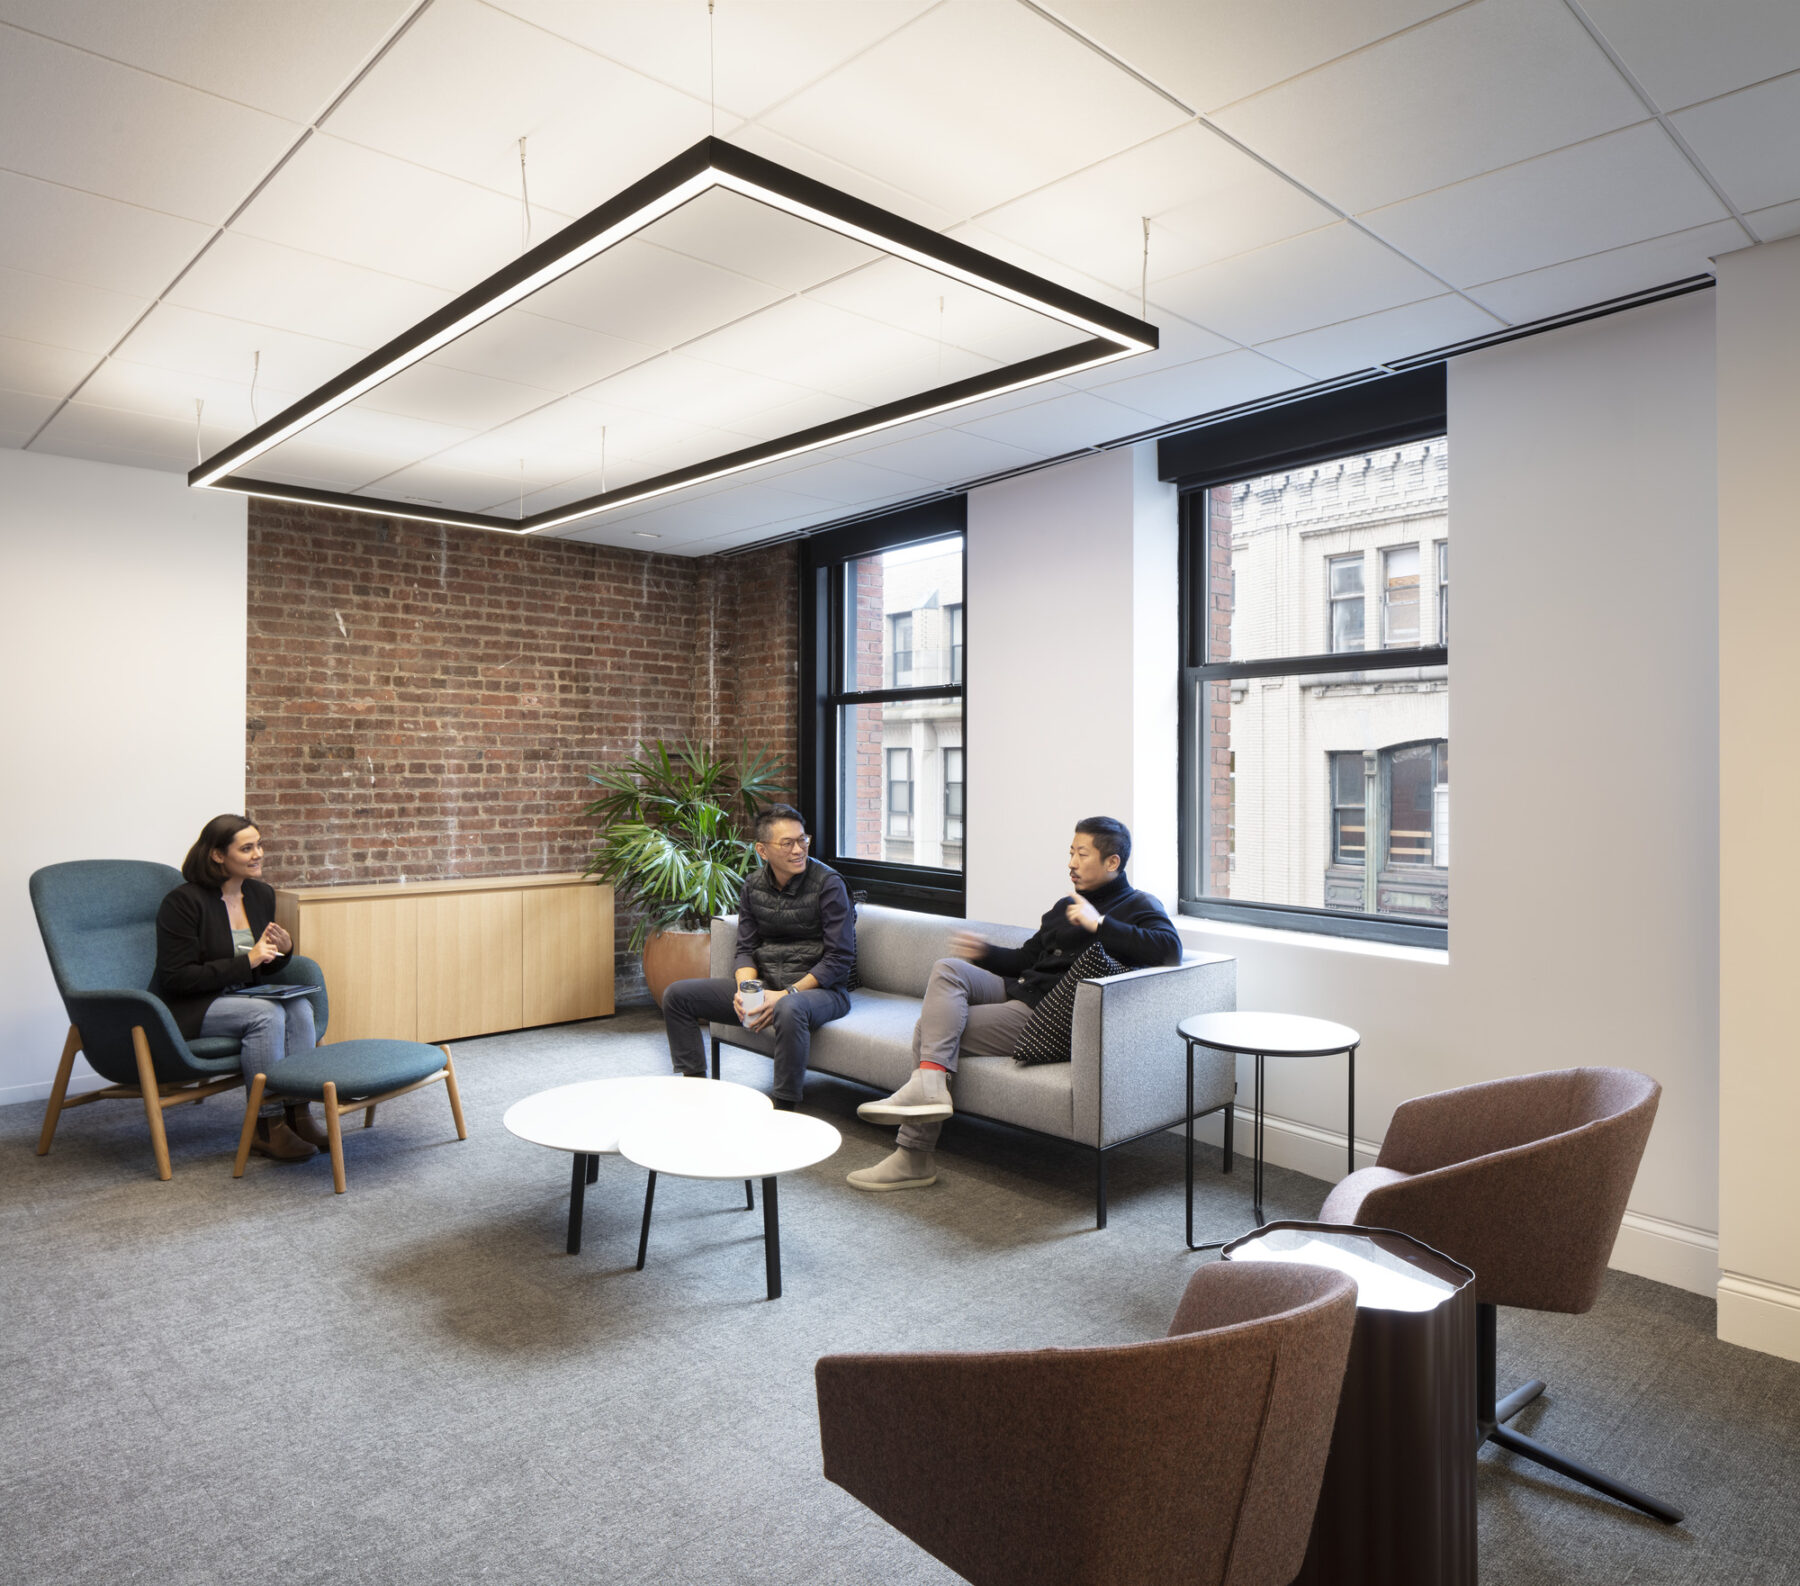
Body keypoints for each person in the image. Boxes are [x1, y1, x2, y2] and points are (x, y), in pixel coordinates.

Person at [848, 815, 1180, 1191]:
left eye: (1082, 854)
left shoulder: (1138, 905)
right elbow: (1026, 960)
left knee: (931, 1029)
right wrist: (985, 951)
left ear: (1113, 862)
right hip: (1018, 987)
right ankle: (929, 1087)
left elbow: (1170, 952)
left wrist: (1099, 924)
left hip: (1044, 1014)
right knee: (949, 969)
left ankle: (914, 1155)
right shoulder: (1065, 905)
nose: (1071, 862)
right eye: (1070, 852)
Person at [153, 814, 323, 1162]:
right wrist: (247, 962)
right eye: (247, 848)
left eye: (259, 845)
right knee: (266, 1015)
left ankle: (298, 1112)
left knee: (300, 1007)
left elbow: (262, 964)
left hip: (243, 995)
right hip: (193, 1004)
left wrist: (283, 951)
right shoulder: (182, 903)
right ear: (217, 855)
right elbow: (177, 977)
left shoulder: (259, 894)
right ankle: (265, 1125)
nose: (258, 854)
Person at [662, 804, 854, 1109]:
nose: (798, 850)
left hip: (822, 991)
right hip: (768, 985)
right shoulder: (753, 885)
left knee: (789, 1008)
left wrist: (784, 994)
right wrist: (745, 990)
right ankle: (695, 1090)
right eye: (787, 843)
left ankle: (785, 1108)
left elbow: (838, 960)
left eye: (803, 840)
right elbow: (746, 948)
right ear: (762, 850)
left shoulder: (828, 885)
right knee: (678, 995)